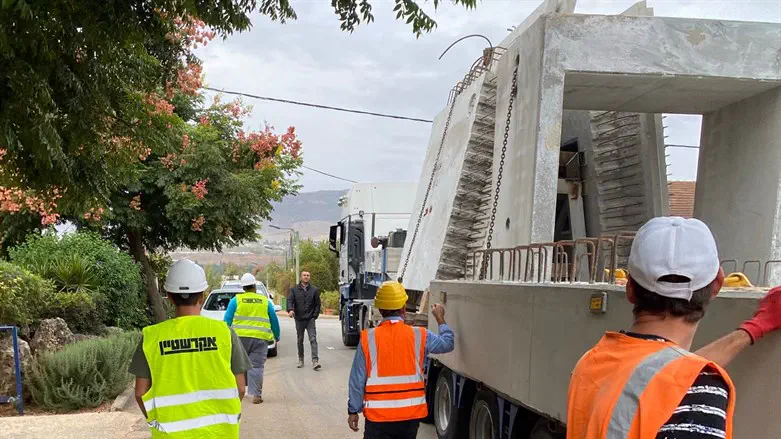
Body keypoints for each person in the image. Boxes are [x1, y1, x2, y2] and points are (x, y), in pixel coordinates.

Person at [567, 217, 781, 439]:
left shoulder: (593, 361)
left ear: (630, 288)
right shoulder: (700, 390)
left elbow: (664, 375)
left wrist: (750, 331)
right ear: (717, 284)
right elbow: (672, 379)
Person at [128, 259, 252, 438]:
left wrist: (157, 420)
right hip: (219, 433)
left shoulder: (152, 337)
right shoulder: (224, 333)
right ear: (202, 295)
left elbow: (140, 393)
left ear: (169, 296)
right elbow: (240, 388)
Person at [347, 281, 455, 438]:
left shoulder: (367, 339)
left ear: (381, 309)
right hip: (409, 417)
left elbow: (357, 380)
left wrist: (353, 411)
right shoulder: (420, 335)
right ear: (404, 309)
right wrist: (439, 318)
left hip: (378, 418)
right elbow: (448, 343)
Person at [224, 273, 280, 404]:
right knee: (257, 366)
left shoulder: (235, 301)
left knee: (238, 366)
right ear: (254, 286)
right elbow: (274, 320)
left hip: (239, 339)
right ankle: (256, 395)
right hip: (260, 339)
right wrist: (276, 335)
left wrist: (226, 337)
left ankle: (238, 394)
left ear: (243, 288)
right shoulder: (265, 301)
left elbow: (226, 321)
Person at [287, 271, 322, 370]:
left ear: (309, 277)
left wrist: (314, 316)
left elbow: (317, 304)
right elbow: (290, 301)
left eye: (308, 275)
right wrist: (290, 310)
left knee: (313, 339)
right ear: (301, 277)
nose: (306, 277)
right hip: (299, 319)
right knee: (300, 339)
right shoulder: (293, 290)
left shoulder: (314, 290)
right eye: (304, 275)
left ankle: (315, 361)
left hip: (310, 319)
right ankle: (301, 359)